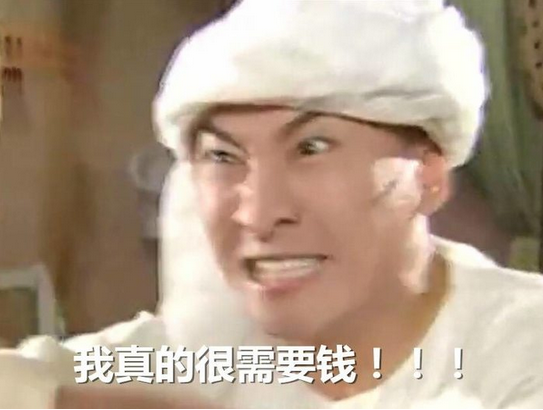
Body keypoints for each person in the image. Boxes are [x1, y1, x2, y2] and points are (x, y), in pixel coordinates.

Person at [1, 0, 543, 408]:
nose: (259, 214)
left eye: (312, 148)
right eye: (222, 155)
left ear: (427, 175)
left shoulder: (517, 350)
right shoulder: (214, 347)